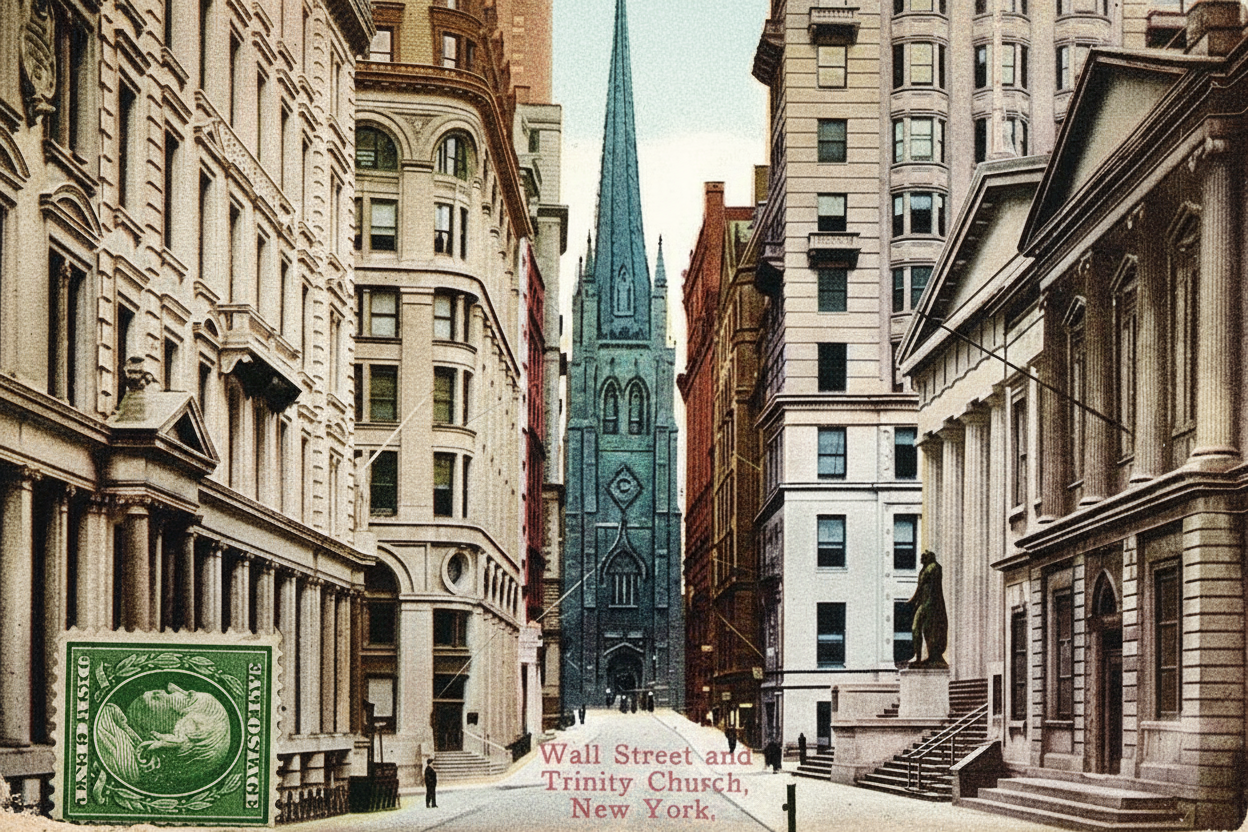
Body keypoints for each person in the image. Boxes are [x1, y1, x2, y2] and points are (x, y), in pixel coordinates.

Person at [908, 550, 949, 668]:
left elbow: (933, 589)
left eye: (922, 557)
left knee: (927, 630)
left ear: (928, 557)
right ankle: (918, 657)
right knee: (916, 628)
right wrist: (914, 601)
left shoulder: (934, 568)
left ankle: (932, 656)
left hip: (931, 605)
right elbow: (920, 588)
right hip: (924, 604)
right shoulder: (924, 570)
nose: (920, 559)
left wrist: (917, 602)